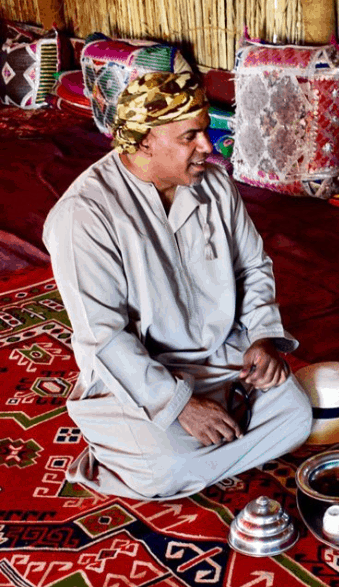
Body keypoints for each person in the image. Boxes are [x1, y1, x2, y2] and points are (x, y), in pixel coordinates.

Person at [42, 71, 313, 500]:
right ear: (145, 141)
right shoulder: (84, 216)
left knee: (298, 417)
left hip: (222, 359)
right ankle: (133, 454)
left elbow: (253, 268)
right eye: (191, 136)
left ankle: (189, 452)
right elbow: (105, 337)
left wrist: (262, 338)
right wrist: (180, 405)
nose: (208, 146)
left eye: (205, 131)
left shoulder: (215, 186)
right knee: (166, 469)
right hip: (139, 377)